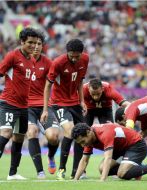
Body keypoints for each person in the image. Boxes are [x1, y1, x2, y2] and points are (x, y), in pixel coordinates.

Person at [40, 39, 89, 180]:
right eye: (71, 55)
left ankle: (77, 171)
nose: (74, 58)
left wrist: (82, 101)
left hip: (75, 102)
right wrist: (45, 110)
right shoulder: (58, 63)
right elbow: (47, 86)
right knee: (70, 130)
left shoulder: (85, 59)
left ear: (82, 53)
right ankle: (61, 169)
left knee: (82, 134)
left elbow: (80, 81)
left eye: (77, 56)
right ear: (67, 52)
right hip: (59, 103)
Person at [0, 28, 39, 180]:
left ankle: (13, 173)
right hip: (9, 103)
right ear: (22, 42)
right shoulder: (12, 56)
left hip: (24, 106)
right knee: (6, 134)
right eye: (30, 42)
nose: (33, 46)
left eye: (36, 43)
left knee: (19, 139)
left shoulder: (31, 60)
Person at [72, 122, 147, 181]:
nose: (83, 145)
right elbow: (84, 160)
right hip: (122, 149)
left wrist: (102, 180)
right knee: (102, 169)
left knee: (122, 173)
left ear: (89, 132)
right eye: (80, 143)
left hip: (136, 145)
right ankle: (135, 169)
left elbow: (108, 157)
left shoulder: (104, 133)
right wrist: (75, 180)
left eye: (83, 141)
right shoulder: (89, 138)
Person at [27, 30, 60, 179]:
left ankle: (51, 156)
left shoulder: (48, 63)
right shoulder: (18, 60)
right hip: (26, 106)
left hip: (45, 105)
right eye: (33, 43)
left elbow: (57, 83)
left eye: (39, 44)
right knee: (32, 131)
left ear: (43, 46)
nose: (36, 46)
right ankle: (40, 172)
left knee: (53, 136)